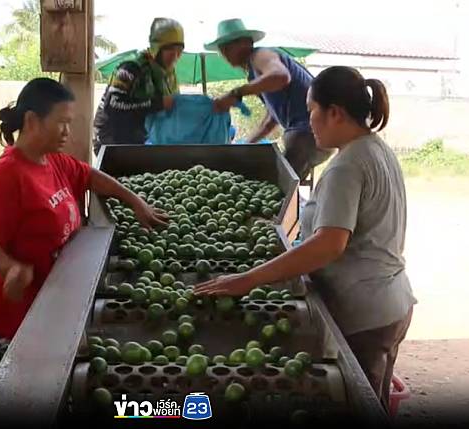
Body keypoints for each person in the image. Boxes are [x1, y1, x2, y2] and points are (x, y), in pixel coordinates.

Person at [195, 66, 417, 412]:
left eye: (311, 111)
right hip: (393, 305)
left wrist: (249, 279)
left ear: (335, 113)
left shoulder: (347, 167)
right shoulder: (376, 149)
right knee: (378, 400)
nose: (307, 120)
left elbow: (329, 245)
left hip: (364, 315)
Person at [0, 78, 168, 378]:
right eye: (62, 123)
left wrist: (136, 202)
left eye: (70, 123)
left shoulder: (53, 161)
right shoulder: (6, 175)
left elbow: (90, 176)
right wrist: (9, 268)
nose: (67, 132)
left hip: (53, 310)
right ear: (32, 120)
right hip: (17, 320)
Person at [204, 18, 332, 181]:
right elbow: (271, 120)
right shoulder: (255, 74)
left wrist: (235, 94)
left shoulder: (260, 55)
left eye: (227, 47)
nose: (224, 54)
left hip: (307, 134)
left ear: (245, 43)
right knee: (283, 188)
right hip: (311, 137)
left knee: (277, 188)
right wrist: (245, 145)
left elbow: (281, 76)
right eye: (222, 49)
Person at [92, 18, 184, 155]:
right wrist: (159, 103)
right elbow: (113, 105)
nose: (175, 56)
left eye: (179, 50)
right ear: (157, 49)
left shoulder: (168, 76)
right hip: (111, 140)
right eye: (170, 50)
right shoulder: (130, 68)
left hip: (139, 139)